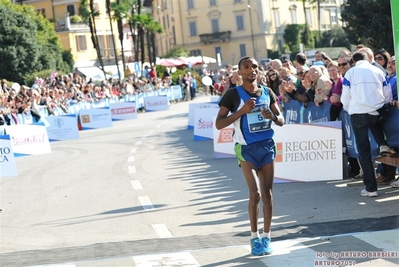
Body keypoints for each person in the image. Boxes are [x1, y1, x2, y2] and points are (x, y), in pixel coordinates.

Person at [215, 56, 284, 256]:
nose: (251, 70)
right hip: (246, 149)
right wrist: (242, 111)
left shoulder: (267, 92)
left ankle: (267, 237)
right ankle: (254, 238)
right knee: (255, 194)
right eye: (246, 67)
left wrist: (272, 116)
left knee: (268, 195)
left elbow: (281, 119)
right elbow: (219, 124)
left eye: (254, 67)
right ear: (240, 72)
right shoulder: (232, 95)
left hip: (267, 147)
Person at [341, 51, 395, 197]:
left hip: (358, 114)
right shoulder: (378, 71)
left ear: (353, 61)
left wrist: (350, 108)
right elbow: (387, 93)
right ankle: (382, 144)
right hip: (375, 112)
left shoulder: (350, 73)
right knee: (375, 125)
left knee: (363, 152)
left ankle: (371, 188)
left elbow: (345, 97)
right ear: (367, 59)